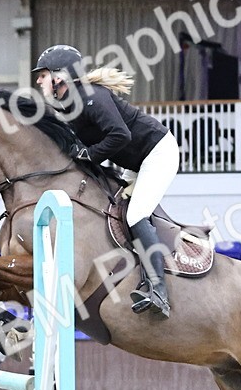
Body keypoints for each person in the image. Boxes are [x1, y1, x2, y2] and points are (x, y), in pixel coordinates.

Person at [33, 44, 178, 318]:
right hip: (136, 163)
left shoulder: (91, 96)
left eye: (43, 75)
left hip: (158, 153)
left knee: (135, 215)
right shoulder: (69, 105)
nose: (39, 81)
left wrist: (89, 155)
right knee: (115, 210)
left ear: (60, 76)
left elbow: (120, 135)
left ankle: (159, 291)